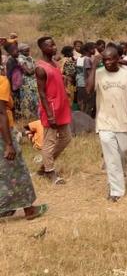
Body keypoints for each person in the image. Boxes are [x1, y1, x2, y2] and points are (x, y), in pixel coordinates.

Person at [87, 47, 127, 202]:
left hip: (122, 120)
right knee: (111, 156)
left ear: (118, 58)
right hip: (104, 121)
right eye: (105, 60)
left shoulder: (126, 75)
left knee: (122, 153)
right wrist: (94, 67)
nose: (107, 62)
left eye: (110, 59)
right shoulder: (99, 74)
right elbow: (88, 90)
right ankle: (116, 190)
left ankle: (118, 176)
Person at [0, 70, 48, 220]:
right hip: (3, 134)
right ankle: (29, 210)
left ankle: (5, 207)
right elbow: (1, 113)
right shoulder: (1, 81)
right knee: (17, 171)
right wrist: (9, 144)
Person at [34, 36, 73, 185]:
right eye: (50, 46)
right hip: (50, 109)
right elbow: (42, 93)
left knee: (66, 138)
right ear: (43, 48)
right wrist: (50, 115)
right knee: (49, 141)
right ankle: (50, 172)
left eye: (54, 44)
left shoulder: (55, 63)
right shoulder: (40, 68)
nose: (54, 47)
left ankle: (44, 166)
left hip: (61, 107)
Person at [16, 44, 39, 123]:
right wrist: (36, 67)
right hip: (26, 82)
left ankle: (35, 117)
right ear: (21, 51)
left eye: (28, 50)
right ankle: (28, 118)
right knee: (27, 99)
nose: (28, 52)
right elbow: (28, 71)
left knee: (34, 99)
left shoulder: (29, 58)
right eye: (26, 51)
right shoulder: (20, 59)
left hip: (33, 81)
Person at [75, 42, 96, 116]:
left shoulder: (79, 59)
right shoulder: (87, 59)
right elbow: (89, 73)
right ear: (89, 50)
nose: (95, 50)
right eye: (93, 48)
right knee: (88, 103)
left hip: (80, 83)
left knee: (82, 102)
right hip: (86, 84)